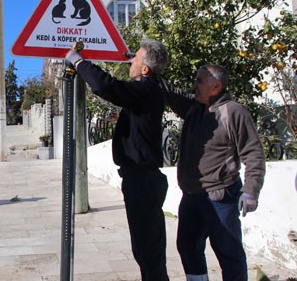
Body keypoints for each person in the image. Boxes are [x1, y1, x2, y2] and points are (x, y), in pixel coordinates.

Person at [65, 39, 170, 281]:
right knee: (145, 250)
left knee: (149, 252)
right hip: (140, 180)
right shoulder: (148, 90)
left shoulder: (146, 91)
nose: (131, 59)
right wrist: (135, 60)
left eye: (136, 58)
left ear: (145, 69)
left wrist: (79, 62)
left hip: (143, 181)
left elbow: (106, 87)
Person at [159, 64, 266, 281]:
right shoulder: (194, 108)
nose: (193, 85)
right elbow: (171, 93)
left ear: (215, 86)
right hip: (191, 196)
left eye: (199, 81)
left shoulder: (233, 112)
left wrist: (251, 190)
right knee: (187, 246)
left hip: (220, 197)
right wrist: (149, 68)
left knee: (229, 253)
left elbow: (253, 153)